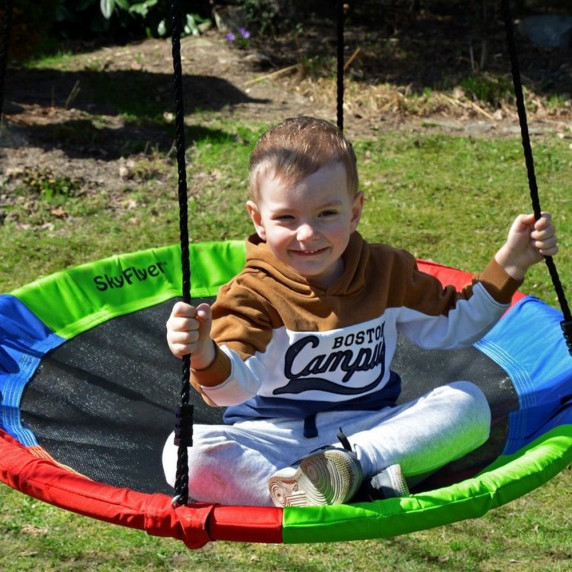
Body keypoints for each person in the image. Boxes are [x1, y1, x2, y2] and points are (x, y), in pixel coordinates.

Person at [162, 116, 558, 507]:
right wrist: (203, 354)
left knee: (468, 405)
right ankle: (301, 488)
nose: (307, 234)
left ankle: (347, 471)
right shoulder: (252, 293)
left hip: (369, 431)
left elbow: (453, 325)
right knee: (184, 454)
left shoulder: (385, 273)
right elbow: (234, 389)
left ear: (354, 212)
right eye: (286, 218)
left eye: (326, 214)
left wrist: (510, 266)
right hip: (270, 438)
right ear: (258, 220)